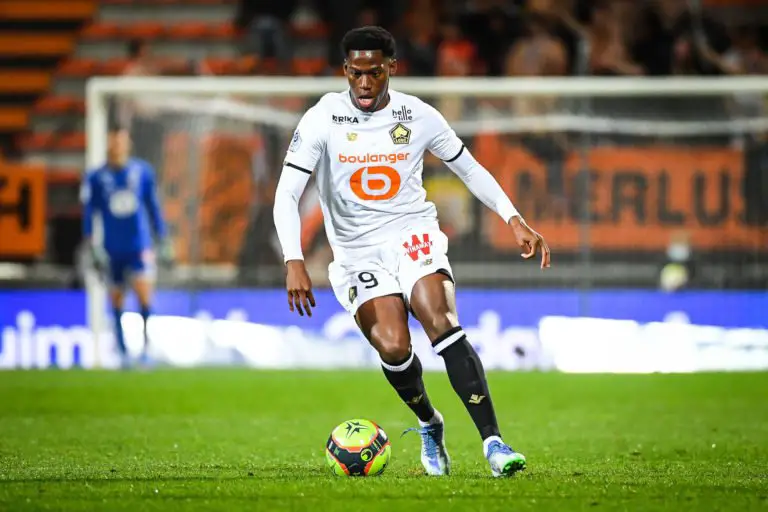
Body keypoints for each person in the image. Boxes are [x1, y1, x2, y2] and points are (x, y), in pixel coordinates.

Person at [272, 26, 551, 477]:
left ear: (392, 69)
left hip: (411, 234)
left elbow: (469, 168)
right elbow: (287, 193)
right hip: (357, 253)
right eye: (356, 73)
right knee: (393, 344)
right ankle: (429, 422)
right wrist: (294, 259)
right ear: (345, 71)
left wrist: (513, 218)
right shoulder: (323, 118)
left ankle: (494, 444)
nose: (365, 83)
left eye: (375, 73)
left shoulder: (417, 115)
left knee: (440, 320)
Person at [81, 126, 173, 368]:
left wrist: (162, 238)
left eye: (121, 141)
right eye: (113, 141)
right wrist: (92, 245)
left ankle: (146, 349)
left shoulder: (142, 172)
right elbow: (90, 213)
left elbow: (153, 206)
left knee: (144, 294)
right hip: (112, 248)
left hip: (139, 245)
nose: (117, 146)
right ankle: (122, 352)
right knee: (116, 299)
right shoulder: (96, 177)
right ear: (108, 143)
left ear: (128, 144)